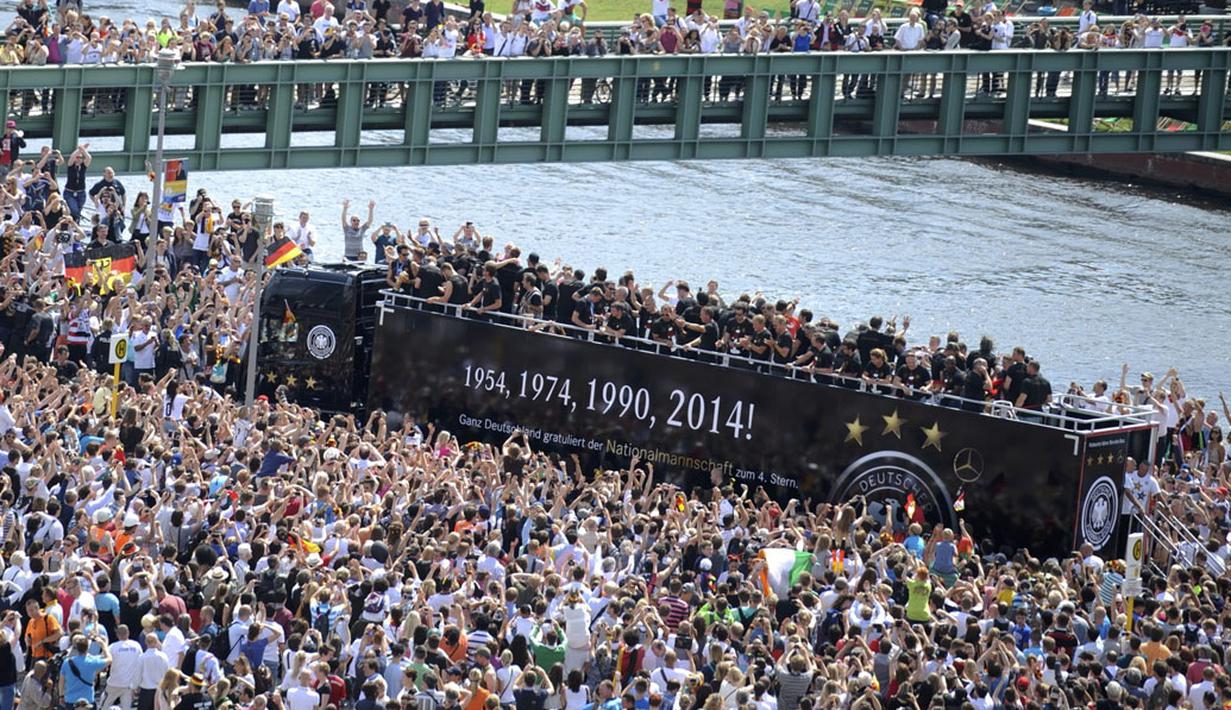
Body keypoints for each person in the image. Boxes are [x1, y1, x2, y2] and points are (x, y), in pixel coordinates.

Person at [61, 632, 112, 707]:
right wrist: (103, 645)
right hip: (87, 700)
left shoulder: (67, 662)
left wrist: (61, 695)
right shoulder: (92, 662)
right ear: (88, 647)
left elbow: (61, 681)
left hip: (70, 700)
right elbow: (109, 659)